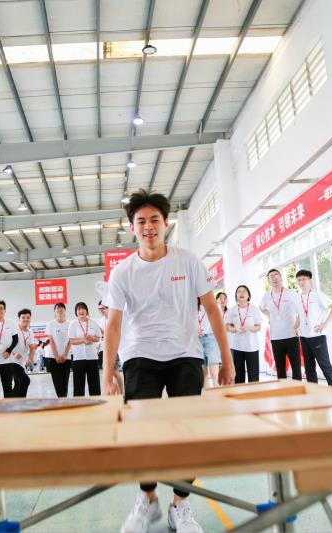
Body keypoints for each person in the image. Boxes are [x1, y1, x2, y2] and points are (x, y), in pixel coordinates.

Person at [102, 189, 234, 533]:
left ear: (165, 224)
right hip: (140, 356)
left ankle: (180, 504)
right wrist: (107, 372)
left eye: (154, 220)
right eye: (141, 221)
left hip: (185, 354)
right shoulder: (122, 272)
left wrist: (226, 359)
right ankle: (148, 499)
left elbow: (212, 310)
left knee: (187, 433)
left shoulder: (187, 261)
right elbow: (113, 324)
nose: (148, 227)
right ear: (132, 227)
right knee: (142, 433)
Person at [296, 270, 332, 387]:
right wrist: (295, 328)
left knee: (325, 366)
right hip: (304, 337)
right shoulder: (297, 297)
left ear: (309, 280)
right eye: (299, 280)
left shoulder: (317, 294)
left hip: (317, 336)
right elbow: (300, 315)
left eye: (304, 279)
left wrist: (325, 324)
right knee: (309, 367)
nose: (301, 282)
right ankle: (313, 392)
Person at [259, 269, 301, 381]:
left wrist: (296, 327)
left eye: (276, 275)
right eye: (271, 276)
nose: (274, 277)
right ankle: (284, 389)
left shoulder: (291, 293)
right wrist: (269, 316)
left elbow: (300, 312)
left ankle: (297, 389)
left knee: (296, 368)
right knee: (280, 369)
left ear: (281, 278)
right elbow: (261, 308)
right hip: (276, 337)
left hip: (291, 336)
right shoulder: (267, 296)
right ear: (269, 281)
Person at [225, 285, 262, 384]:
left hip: (251, 347)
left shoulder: (254, 309)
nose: (241, 293)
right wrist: (231, 328)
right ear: (236, 295)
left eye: (244, 291)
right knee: (238, 377)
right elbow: (227, 325)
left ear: (248, 295)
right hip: (237, 347)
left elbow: (258, 327)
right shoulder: (232, 310)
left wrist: (248, 328)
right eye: (239, 291)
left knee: (253, 377)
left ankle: (254, 393)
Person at [68, 302, 101, 397]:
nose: (81, 311)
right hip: (78, 358)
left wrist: (91, 338)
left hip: (92, 357)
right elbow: (71, 341)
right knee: (78, 385)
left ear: (87, 311)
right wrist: (83, 340)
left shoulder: (93, 323)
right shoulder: (73, 324)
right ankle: (79, 403)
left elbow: (98, 338)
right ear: (76, 312)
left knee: (94, 384)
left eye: (83, 308)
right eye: (78, 309)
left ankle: (96, 402)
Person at [45, 302, 71, 398]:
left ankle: (64, 400)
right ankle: (61, 400)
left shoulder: (69, 324)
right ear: (54, 311)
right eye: (57, 308)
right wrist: (56, 356)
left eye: (62, 308)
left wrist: (65, 355)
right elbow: (51, 341)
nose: (59, 309)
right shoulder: (50, 324)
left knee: (65, 381)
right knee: (57, 381)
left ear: (65, 310)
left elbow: (70, 341)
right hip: (53, 358)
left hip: (66, 357)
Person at [97, 301, 123, 395]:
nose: (101, 311)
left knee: (116, 373)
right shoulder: (101, 321)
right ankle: (112, 394)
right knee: (109, 372)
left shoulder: (115, 318)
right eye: (100, 309)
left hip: (117, 349)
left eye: (103, 308)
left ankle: (121, 394)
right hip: (107, 350)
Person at [9, 309, 36, 398]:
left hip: (21, 363)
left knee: (18, 384)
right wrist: (13, 353)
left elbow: (32, 347)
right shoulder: (14, 330)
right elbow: (6, 344)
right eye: (23, 317)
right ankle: (21, 402)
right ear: (19, 319)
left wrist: (30, 359)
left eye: (28, 317)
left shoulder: (30, 332)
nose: (26, 319)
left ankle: (11, 400)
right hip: (12, 361)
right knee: (25, 380)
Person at [197, 299, 220, 388]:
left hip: (211, 337)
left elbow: (218, 322)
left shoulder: (213, 304)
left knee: (214, 374)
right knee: (203, 374)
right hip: (196, 339)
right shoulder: (191, 304)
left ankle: (218, 394)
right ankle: (207, 395)